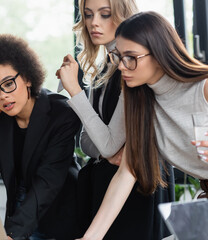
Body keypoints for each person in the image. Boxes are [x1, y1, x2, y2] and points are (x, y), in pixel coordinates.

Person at [77, 11, 208, 240]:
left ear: (158, 54)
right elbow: (127, 172)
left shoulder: (203, 88)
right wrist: (91, 237)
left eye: (131, 57)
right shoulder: (140, 102)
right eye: (118, 56)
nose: (121, 66)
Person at [56, 1, 173, 239]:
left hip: (139, 194)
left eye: (105, 14)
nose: (93, 23)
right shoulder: (102, 71)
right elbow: (87, 143)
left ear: (123, 15)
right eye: (88, 15)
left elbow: (107, 144)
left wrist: (75, 92)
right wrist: (106, 153)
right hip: (104, 186)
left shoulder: (132, 73)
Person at [0, 34, 81, 240]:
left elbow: (48, 182)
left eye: (8, 83)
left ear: (28, 78)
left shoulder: (60, 112)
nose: (2, 96)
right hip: (19, 204)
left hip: (59, 210)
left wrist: (12, 234)